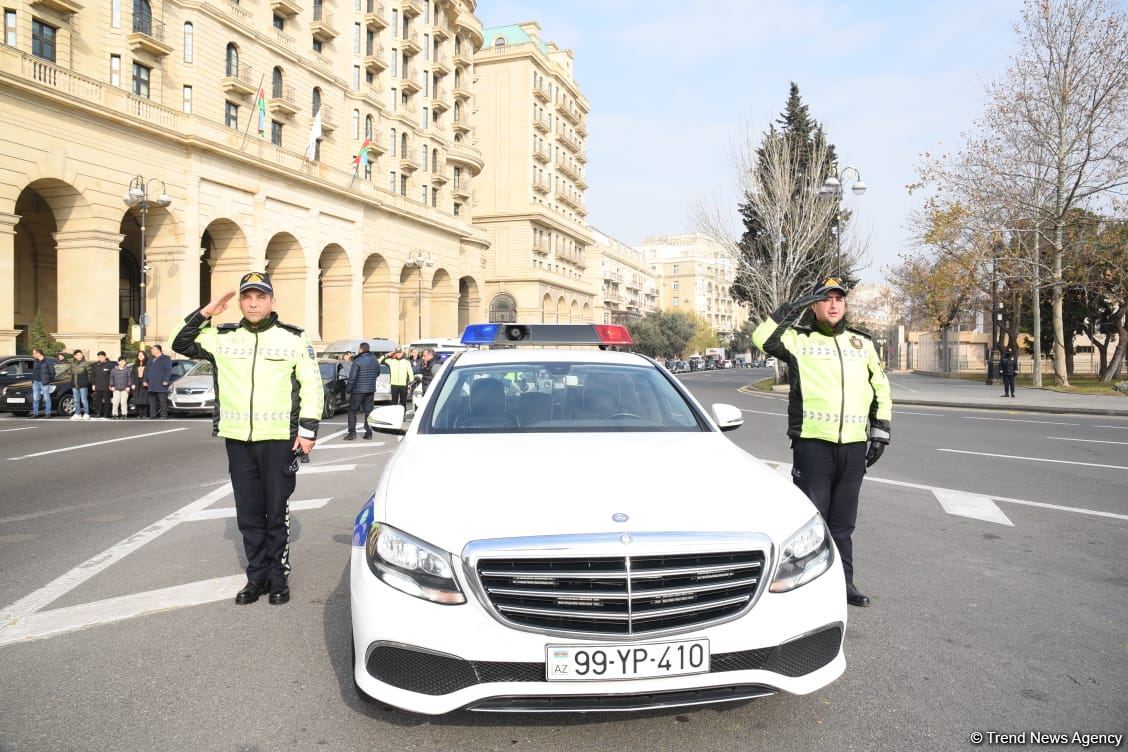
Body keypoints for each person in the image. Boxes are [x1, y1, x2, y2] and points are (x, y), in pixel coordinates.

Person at [171, 272, 323, 606]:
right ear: (240, 302)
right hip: (238, 438)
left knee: (275, 510)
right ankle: (256, 577)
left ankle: (278, 576)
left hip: (279, 438)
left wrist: (307, 430)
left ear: (272, 301)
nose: (253, 304)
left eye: (260, 297)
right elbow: (179, 343)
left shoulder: (293, 338)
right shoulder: (222, 338)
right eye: (247, 297)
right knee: (249, 513)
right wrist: (206, 312)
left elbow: (311, 385)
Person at [752, 277, 892, 608]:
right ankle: (805, 588)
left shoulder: (862, 343)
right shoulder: (798, 340)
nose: (833, 304)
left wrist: (880, 431)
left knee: (843, 524)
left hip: (853, 447)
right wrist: (792, 308)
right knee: (811, 522)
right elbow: (761, 338)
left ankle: (844, 583)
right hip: (813, 445)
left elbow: (880, 386)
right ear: (814, 305)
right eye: (825, 298)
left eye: (838, 299)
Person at [344, 342, 379, 440]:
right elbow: (378, 373)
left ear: (361, 349)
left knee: (352, 411)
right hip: (370, 389)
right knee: (369, 412)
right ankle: (369, 433)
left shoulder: (357, 360)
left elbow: (352, 377)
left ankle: (352, 433)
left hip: (358, 390)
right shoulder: (375, 360)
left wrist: (348, 390)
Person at [144, 344, 173, 418]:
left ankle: (164, 415)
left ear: (158, 350)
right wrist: (145, 381)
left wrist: (166, 380)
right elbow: (146, 370)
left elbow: (168, 370)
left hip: (161, 383)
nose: (151, 350)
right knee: (152, 401)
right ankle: (152, 414)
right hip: (151, 383)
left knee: (162, 401)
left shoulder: (166, 358)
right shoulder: (150, 359)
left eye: (153, 349)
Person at [30, 348, 55, 418]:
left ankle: (47, 413)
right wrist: (33, 380)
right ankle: (35, 413)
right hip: (35, 382)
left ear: (38, 353)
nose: (33, 355)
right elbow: (34, 372)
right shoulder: (35, 362)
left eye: (34, 353)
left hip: (44, 382)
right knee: (35, 398)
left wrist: (47, 380)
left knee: (46, 398)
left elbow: (53, 372)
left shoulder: (48, 361)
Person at [90, 351, 114, 419]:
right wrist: (93, 384)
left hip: (107, 386)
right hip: (98, 386)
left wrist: (111, 385)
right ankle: (98, 413)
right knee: (98, 401)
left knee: (107, 401)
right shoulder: (95, 365)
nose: (100, 358)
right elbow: (93, 376)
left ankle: (106, 413)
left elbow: (112, 376)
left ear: (105, 357)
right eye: (99, 357)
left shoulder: (110, 365)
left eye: (102, 357)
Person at [69, 349, 92, 420]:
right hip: (74, 384)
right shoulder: (72, 364)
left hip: (83, 384)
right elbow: (70, 373)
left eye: (80, 355)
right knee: (76, 400)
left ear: (82, 355)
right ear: (75, 356)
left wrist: (87, 382)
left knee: (84, 399)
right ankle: (77, 414)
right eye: (77, 355)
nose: (79, 356)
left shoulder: (86, 363)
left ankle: (86, 413)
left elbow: (90, 374)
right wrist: (71, 381)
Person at [131, 351, 148, 419]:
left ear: (144, 356)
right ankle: (140, 414)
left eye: (142, 355)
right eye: (139, 355)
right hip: (137, 382)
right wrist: (133, 383)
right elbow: (132, 375)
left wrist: (146, 381)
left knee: (145, 399)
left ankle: (145, 414)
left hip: (145, 382)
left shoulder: (148, 364)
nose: (140, 356)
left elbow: (149, 374)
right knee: (138, 399)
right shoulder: (135, 365)